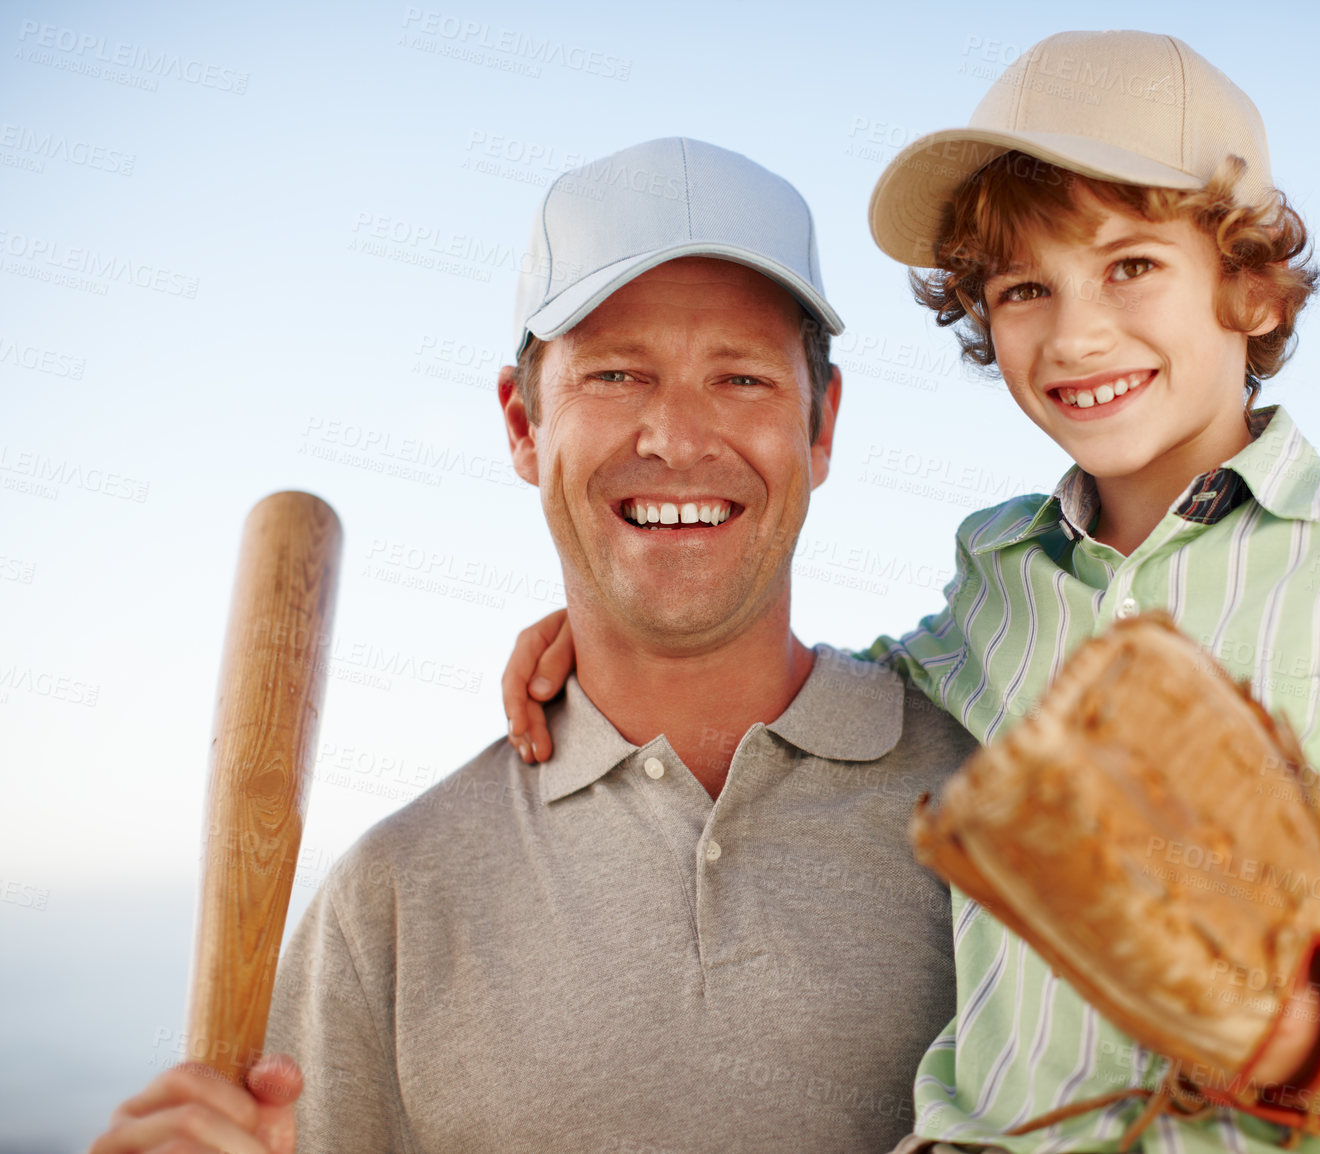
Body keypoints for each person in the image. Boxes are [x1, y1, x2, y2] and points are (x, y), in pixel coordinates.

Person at [501, 32, 1320, 1152]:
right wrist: (623, 639)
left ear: (1251, 288)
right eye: (1025, 288)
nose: (1075, 332)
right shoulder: (996, 576)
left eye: (1130, 265)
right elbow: (823, 694)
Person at [87, 137, 977, 1154]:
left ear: (822, 428)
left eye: (739, 378)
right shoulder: (390, 900)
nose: (677, 437)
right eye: (614, 373)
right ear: (522, 422)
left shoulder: (1001, 805)